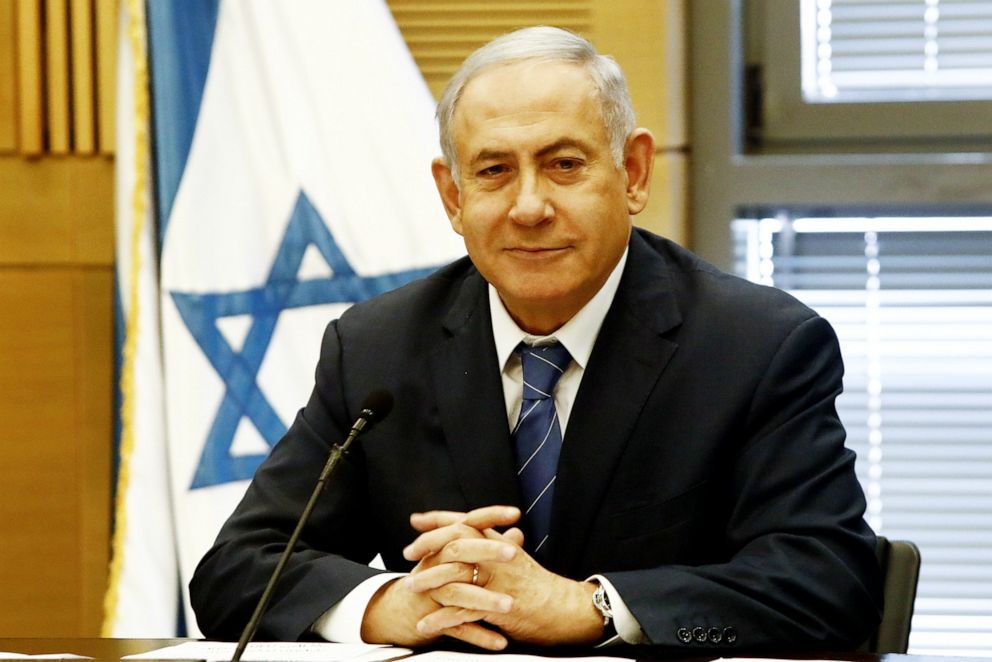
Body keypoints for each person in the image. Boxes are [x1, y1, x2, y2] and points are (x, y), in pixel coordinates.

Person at [190, 26, 882, 651]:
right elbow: (236, 571)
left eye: (564, 164)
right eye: (493, 171)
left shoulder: (757, 346)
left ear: (633, 173)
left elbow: (830, 584)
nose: (528, 207)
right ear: (454, 197)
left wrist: (595, 607)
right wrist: (391, 604)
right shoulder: (376, 347)